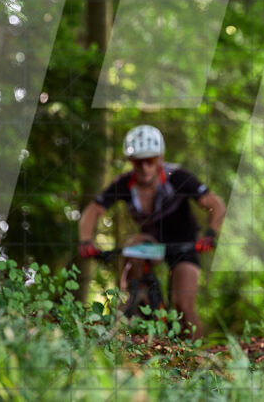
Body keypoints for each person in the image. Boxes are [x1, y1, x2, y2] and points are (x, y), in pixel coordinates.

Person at [78, 124, 226, 337]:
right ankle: (134, 300)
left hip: (184, 243)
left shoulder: (177, 176)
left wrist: (210, 234)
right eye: (138, 162)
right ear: (131, 161)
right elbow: (92, 211)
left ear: (160, 158)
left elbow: (215, 204)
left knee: (183, 304)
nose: (145, 167)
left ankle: (198, 351)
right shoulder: (124, 184)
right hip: (152, 241)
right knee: (133, 245)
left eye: (151, 160)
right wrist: (85, 241)